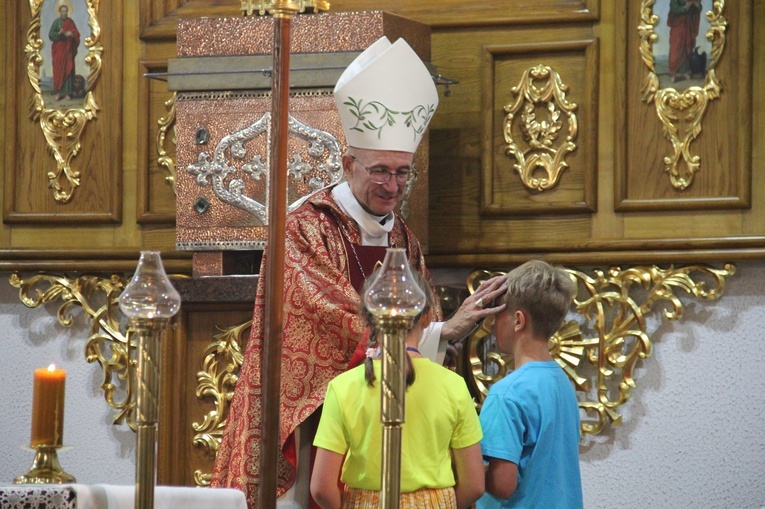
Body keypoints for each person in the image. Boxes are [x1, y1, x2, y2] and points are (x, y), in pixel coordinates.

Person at [211, 36, 507, 509]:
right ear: (349, 164)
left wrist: (440, 332)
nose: (393, 186)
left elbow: (420, 316)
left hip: (384, 416)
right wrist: (434, 334)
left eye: (404, 173)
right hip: (313, 417)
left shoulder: (402, 239)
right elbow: (319, 316)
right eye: (381, 171)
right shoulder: (304, 227)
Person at [310, 270, 485, 509]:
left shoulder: (343, 387)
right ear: (425, 318)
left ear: (369, 319)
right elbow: (474, 484)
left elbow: (321, 487)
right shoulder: (452, 385)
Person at [477, 260, 583, 509]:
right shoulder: (562, 382)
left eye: (496, 315)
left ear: (518, 320)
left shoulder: (507, 394)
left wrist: (459, 463)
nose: (491, 325)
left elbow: (503, 486)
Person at [49, 0, 81, 101]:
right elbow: (51, 35)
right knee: (59, 70)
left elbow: (76, 34)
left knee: (68, 68)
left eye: (66, 11)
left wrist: (71, 35)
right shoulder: (56, 22)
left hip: (68, 50)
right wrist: (59, 34)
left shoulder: (70, 22)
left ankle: (68, 93)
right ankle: (59, 92)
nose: (64, 13)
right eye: (62, 11)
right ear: (60, 12)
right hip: (59, 50)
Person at [667, 0, 702, 83]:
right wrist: (686, 7)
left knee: (687, 49)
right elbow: (674, 7)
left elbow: (698, 7)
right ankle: (673, 73)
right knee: (675, 48)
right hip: (678, 24)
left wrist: (697, 6)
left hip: (688, 24)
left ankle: (684, 72)